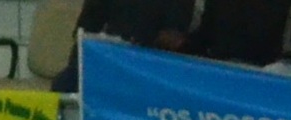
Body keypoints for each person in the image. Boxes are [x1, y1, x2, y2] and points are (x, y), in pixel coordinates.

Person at [57, 0, 197, 84]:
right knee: (66, 82)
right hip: (104, 60)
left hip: (147, 67)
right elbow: (85, 30)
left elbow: (174, 39)